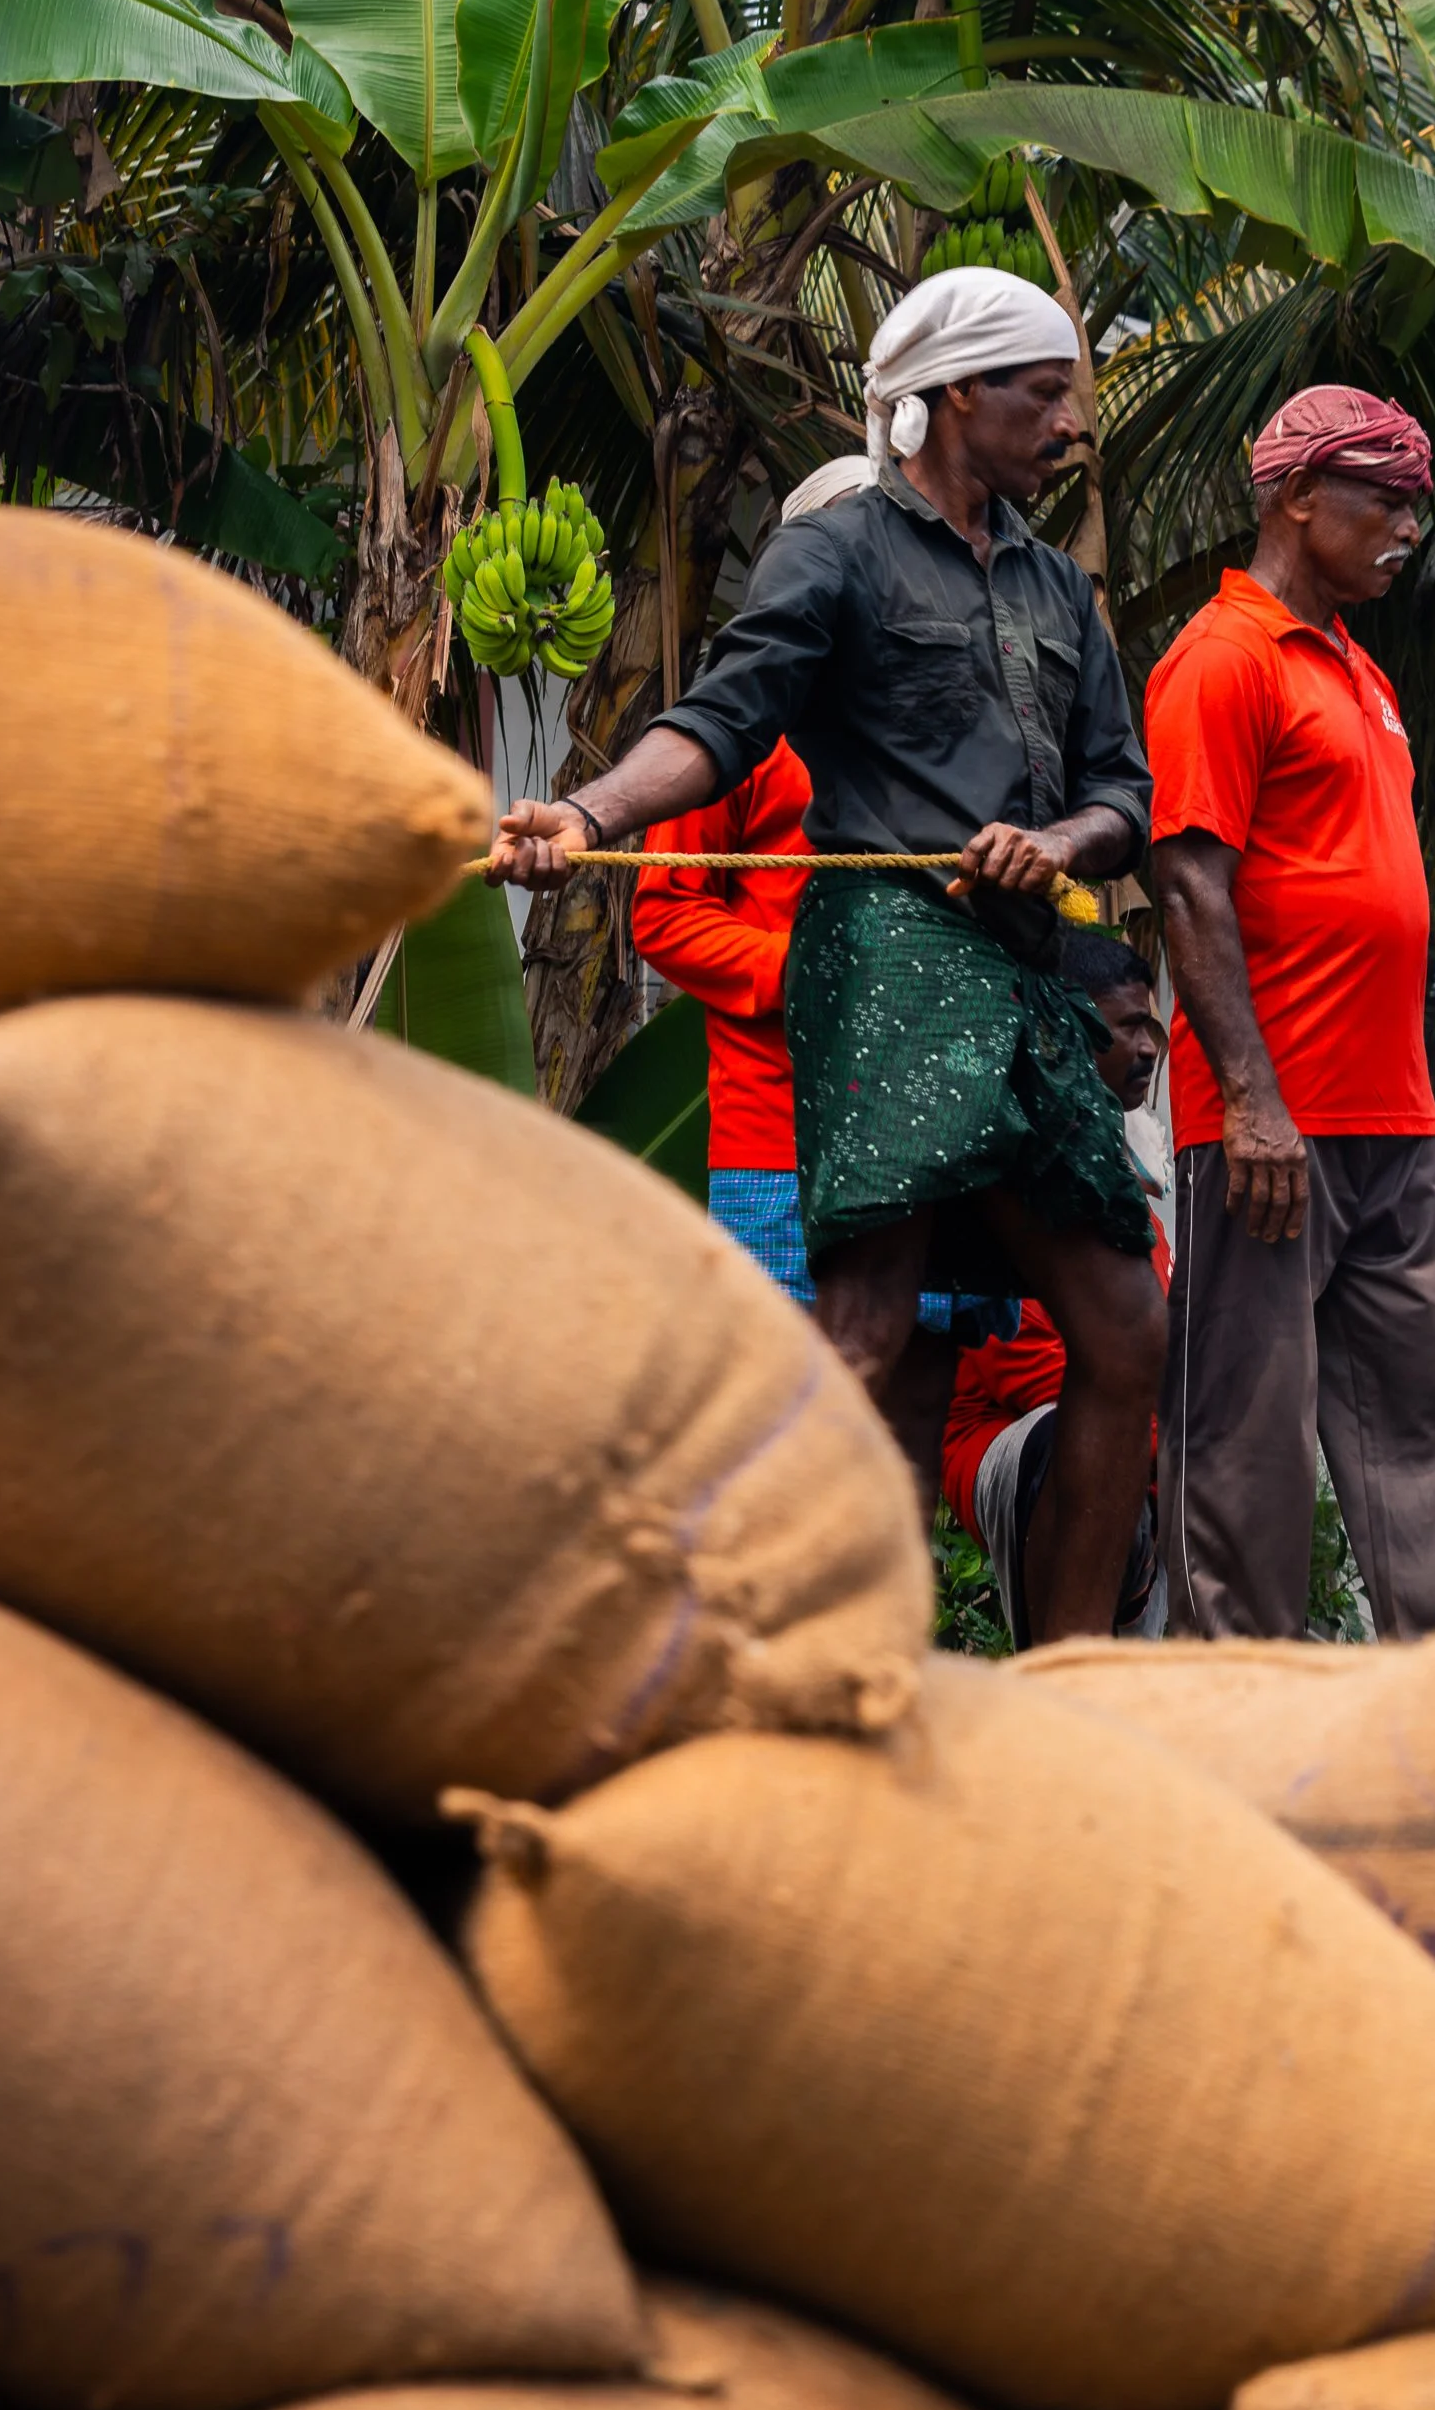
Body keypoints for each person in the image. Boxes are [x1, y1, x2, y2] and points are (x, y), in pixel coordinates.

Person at [489, 268, 1165, 1646]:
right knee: (868, 1347)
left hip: (1022, 983)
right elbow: (721, 721)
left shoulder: (1055, 588)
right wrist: (586, 810)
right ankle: (755, 1647)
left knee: (1127, 1334)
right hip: (892, 970)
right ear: (956, 395)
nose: (1070, 419)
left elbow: (1123, 794)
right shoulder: (842, 547)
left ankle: (1077, 1684)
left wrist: (1066, 841)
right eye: (1044, 391)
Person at [1146, 382, 1435, 1639]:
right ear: (1298, 496)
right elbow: (1187, 881)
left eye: (1416, 500)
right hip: (1265, 1136)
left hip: (1391, 1123)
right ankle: (1239, 1739)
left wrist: (1416, 1089)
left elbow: (1363, 899)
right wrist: (1249, 1099)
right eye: (1384, 498)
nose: (1409, 524)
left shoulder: (1360, 671)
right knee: (1247, 1451)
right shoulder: (1221, 659)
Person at [628, 459, 872, 1308]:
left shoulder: (946, 724)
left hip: (927, 1125)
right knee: (782, 1398)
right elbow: (662, 915)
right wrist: (799, 969)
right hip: (777, 1131)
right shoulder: (739, 730)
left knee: (918, 1395)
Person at [941, 927, 1170, 1647]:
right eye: (1129, 1025)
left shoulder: (1134, 1169)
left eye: (1153, 1028)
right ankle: (1063, 1662)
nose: (1149, 1049)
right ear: (1066, 1019)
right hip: (1012, 1438)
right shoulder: (1009, 1150)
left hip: (1139, 1440)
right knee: (1080, 1434)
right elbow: (1025, 1363)